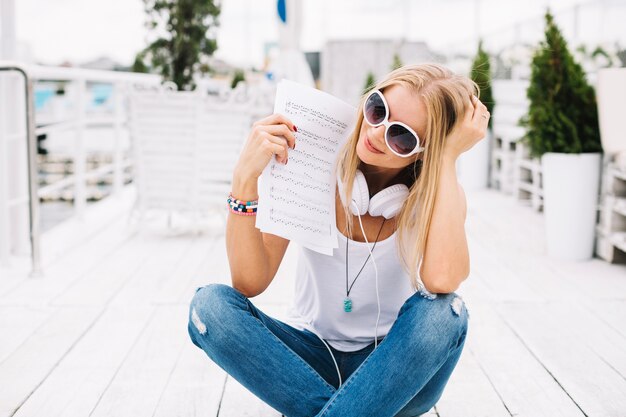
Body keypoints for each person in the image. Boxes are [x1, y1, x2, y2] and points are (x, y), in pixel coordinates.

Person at [188, 63, 489, 416]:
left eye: (402, 136)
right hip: (308, 359)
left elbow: (442, 280)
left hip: (395, 372)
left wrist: (448, 158)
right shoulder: (311, 165)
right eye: (377, 110)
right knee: (209, 307)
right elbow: (249, 281)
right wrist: (243, 179)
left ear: (426, 151)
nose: (376, 133)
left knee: (445, 313)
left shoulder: (438, 194)